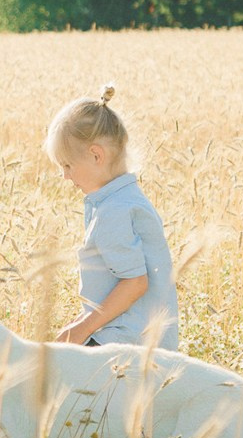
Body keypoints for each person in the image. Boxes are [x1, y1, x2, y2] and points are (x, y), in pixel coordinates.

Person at [47, 85, 181, 352]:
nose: (65, 176)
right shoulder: (128, 198)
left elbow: (135, 283)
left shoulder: (113, 211)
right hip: (139, 338)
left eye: (67, 165)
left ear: (96, 155)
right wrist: (80, 322)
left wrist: (83, 329)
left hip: (124, 342)